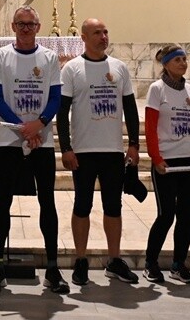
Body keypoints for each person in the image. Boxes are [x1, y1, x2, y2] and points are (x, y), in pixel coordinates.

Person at [0, 6, 66, 295]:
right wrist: (24, 128)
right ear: (13, 26)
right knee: (3, 201)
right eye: (21, 23)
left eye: (31, 24)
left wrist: (39, 124)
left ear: (38, 27)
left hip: (42, 140)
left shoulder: (49, 58)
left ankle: (53, 269)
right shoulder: (0, 56)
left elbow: (55, 98)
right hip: (11, 139)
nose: (26, 28)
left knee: (47, 202)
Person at [57, 17, 140, 286]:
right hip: (83, 151)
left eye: (105, 32)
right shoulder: (72, 69)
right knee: (82, 205)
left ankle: (114, 260)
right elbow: (62, 112)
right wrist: (66, 148)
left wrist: (134, 144)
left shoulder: (119, 68)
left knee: (113, 206)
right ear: (83, 37)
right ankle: (81, 260)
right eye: (96, 33)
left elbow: (130, 108)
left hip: (112, 150)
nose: (103, 37)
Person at [142, 43, 190, 285]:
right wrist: (156, 158)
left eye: (184, 59)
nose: (183, 63)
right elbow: (150, 126)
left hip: (189, 160)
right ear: (166, 64)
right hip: (167, 161)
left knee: (186, 215)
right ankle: (151, 263)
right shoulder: (157, 89)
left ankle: (179, 264)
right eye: (177, 59)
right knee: (166, 214)